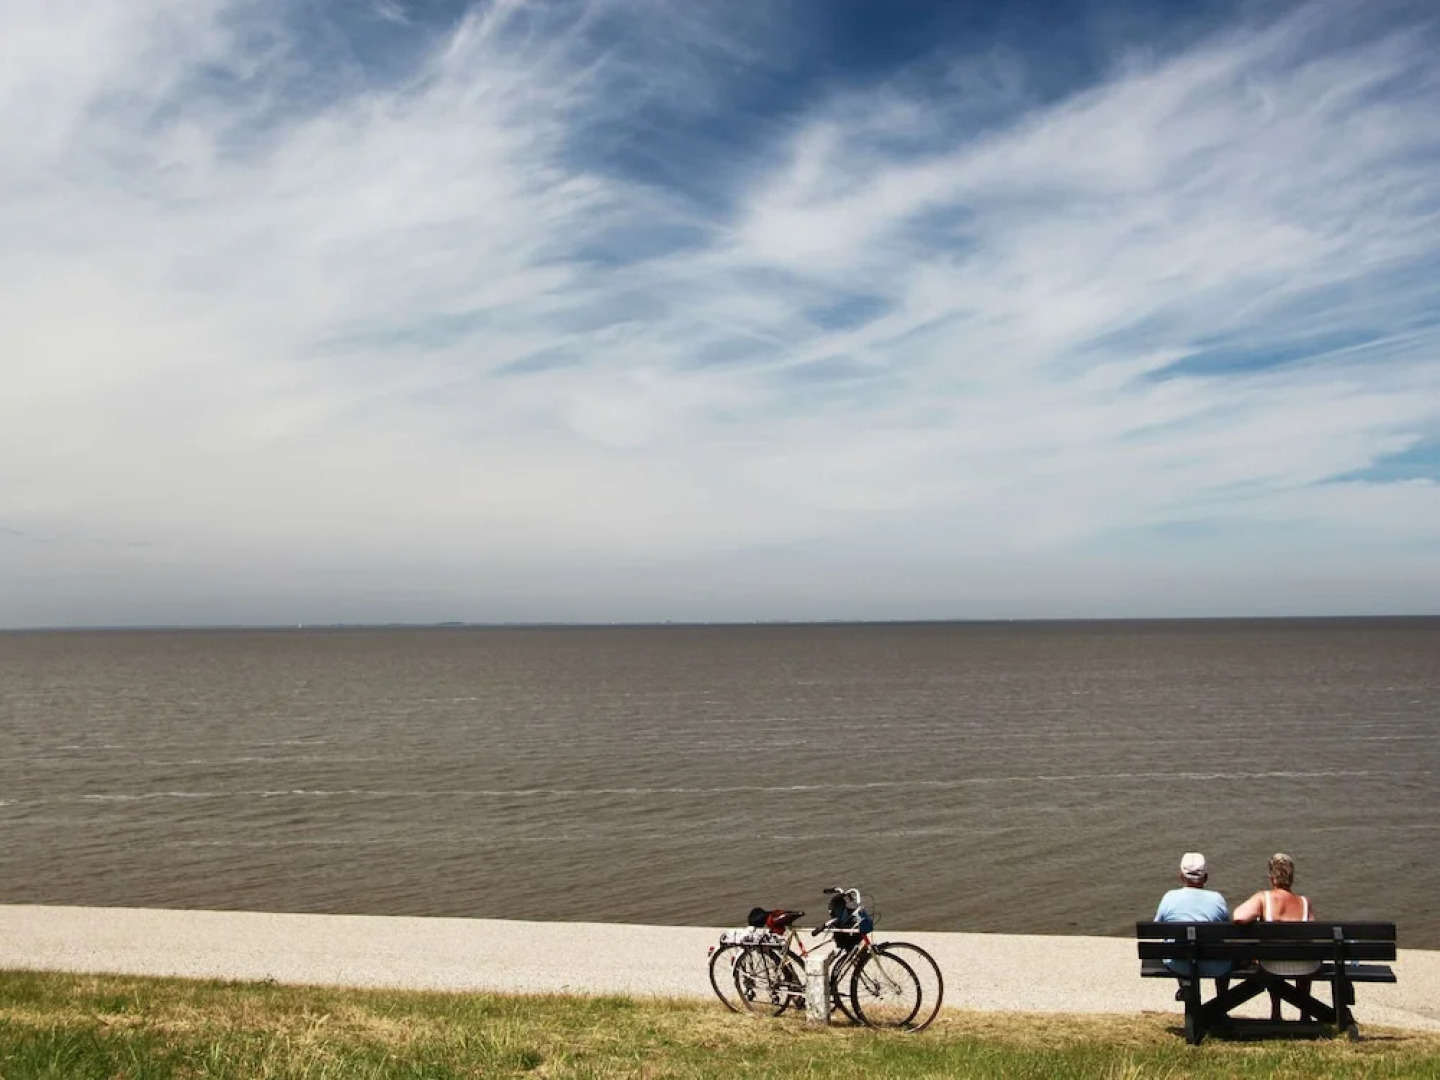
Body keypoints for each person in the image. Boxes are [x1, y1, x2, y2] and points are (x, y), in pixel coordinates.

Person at [1234, 852, 1319, 1021]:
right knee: (1303, 952)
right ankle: (1305, 1013)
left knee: (1272, 953)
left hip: (1272, 965)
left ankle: (1276, 1013)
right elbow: (1313, 932)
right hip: (1304, 966)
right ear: (1292, 878)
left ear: (1271, 877)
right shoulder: (1304, 902)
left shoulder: (1263, 898)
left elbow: (1239, 916)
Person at [1155, 852, 1231, 997]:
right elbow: (1227, 929)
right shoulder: (1217, 899)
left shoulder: (1169, 897)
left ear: (1181, 877)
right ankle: (1221, 1001)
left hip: (1179, 963)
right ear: (1206, 878)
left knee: (1175, 943)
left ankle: (1186, 988)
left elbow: (1158, 928)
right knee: (1222, 947)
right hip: (1215, 965)